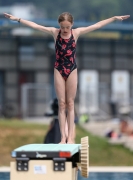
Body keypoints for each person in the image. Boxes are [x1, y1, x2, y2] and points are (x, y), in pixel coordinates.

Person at [4, 12, 130, 144]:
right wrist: (17, 19)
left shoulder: (76, 33)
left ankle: (70, 137)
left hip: (72, 69)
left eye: (67, 27)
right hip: (58, 69)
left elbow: (97, 26)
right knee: (61, 104)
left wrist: (114, 18)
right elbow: (35, 26)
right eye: (62, 27)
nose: (65, 30)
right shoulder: (54, 32)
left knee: (70, 104)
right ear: (59, 25)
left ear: (72, 25)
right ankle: (63, 137)